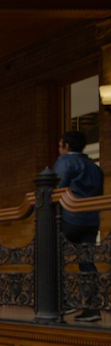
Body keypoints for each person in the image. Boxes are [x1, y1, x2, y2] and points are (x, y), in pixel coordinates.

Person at [54, 130, 105, 322]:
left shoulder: (65, 162)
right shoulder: (94, 166)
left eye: (60, 146)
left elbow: (56, 189)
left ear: (67, 146)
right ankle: (92, 309)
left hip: (69, 219)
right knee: (87, 263)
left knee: (53, 257)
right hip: (91, 221)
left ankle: (63, 303)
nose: (60, 150)